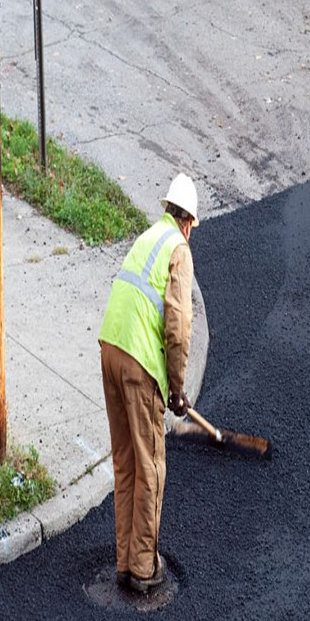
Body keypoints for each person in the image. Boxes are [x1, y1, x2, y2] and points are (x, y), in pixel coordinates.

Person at [98, 173, 198, 593]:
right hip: (139, 366)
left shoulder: (147, 237)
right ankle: (142, 569)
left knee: (124, 461)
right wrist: (176, 389)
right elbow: (177, 328)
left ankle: (124, 560)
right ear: (188, 221)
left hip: (109, 349)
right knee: (150, 466)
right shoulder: (178, 249)